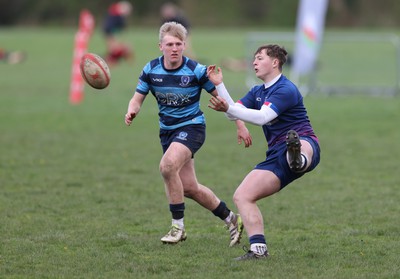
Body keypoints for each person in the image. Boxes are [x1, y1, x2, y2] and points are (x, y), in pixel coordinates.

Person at [124, 21, 251, 246]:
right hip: (168, 133)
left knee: (167, 166)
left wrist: (240, 124)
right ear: (160, 46)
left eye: (179, 44)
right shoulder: (150, 69)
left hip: (192, 128)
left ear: (184, 45)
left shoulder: (196, 70)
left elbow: (224, 99)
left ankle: (177, 228)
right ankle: (232, 219)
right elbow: (137, 97)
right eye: (170, 44)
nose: (174, 48)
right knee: (190, 188)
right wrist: (132, 109)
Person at [206, 44, 321, 260]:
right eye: (254, 59)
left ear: (275, 62)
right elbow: (234, 113)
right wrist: (220, 86)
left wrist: (230, 109)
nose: (254, 62)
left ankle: (298, 158)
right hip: (276, 155)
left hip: (307, 143)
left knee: (298, 144)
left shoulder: (286, 88)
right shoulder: (257, 91)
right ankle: (259, 250)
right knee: (242, 196)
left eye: (259, 58)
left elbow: (262, 118)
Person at [102, 1, 133, 66]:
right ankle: (107, 61)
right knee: (114, 48)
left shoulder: (115, 12)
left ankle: (110, 61)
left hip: (109, 30)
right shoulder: (118, 15)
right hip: (109, 31)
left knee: (113, 47)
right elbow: (121, 25)